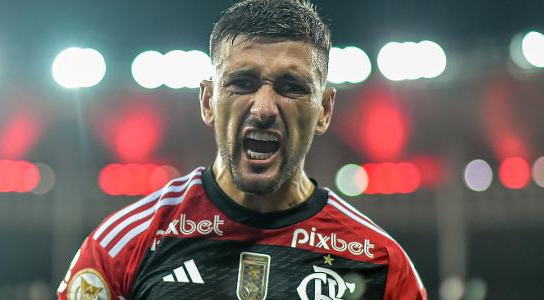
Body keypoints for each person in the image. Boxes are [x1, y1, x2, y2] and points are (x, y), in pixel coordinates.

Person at [57, 0, 427, 299]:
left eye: (291, 86)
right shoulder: (124, 246)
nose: (264, 108)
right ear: (207, 100)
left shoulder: (381, 264)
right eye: (242, 82)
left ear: (325, 110)